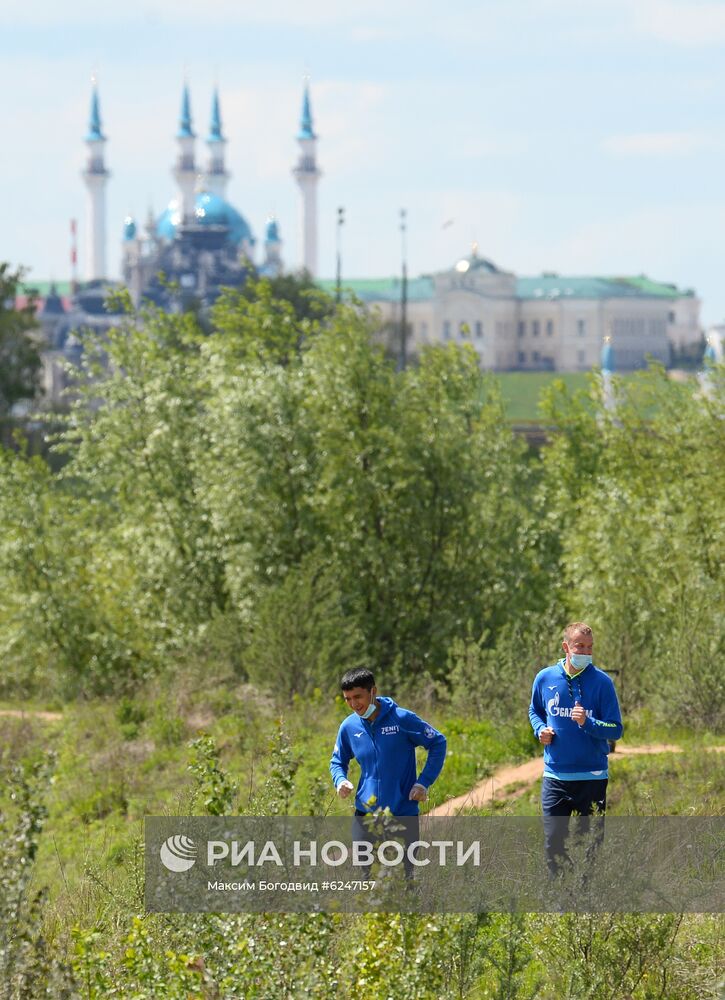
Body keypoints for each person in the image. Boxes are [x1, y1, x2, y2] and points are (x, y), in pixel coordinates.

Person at [329, 667, 447, 878]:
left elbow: (438, 742)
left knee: (405, 879)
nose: (354, 704)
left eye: (358, 696)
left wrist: (423, 783)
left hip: (402, 812)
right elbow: (337, 761)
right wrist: (340, 780)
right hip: (365, 814)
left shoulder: (402, 719)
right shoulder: (348, 726)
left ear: (372, 691)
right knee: (366, 879)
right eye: (347, 699)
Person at [528, 622, 623, 877]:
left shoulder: (602, 682)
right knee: (554, 844)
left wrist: (588, 723)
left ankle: (585, 904)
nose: (585, 652)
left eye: (590, 648)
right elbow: (535, 710)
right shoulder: (545, 677)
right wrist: (540, 729)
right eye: (580, 646)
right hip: (555, 777)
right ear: (566, 647)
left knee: (588, 846)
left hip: (591, 778)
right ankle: (560, 905)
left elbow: (615, 729)